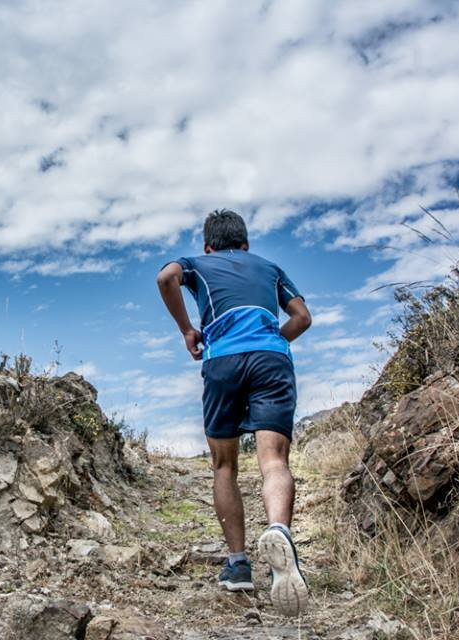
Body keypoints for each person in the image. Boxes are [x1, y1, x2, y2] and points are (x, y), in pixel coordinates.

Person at [156, 209, 312, 617]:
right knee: (274, 461)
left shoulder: (196, 264)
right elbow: (302, 318)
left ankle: (239, 563)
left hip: (222, 361)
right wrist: (272, 341)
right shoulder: (270, 267)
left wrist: (187, 330)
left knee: (224, 466)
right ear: (245, 245)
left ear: (208, 246)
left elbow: (165, 278)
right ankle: (279, 531)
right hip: (270, 360)